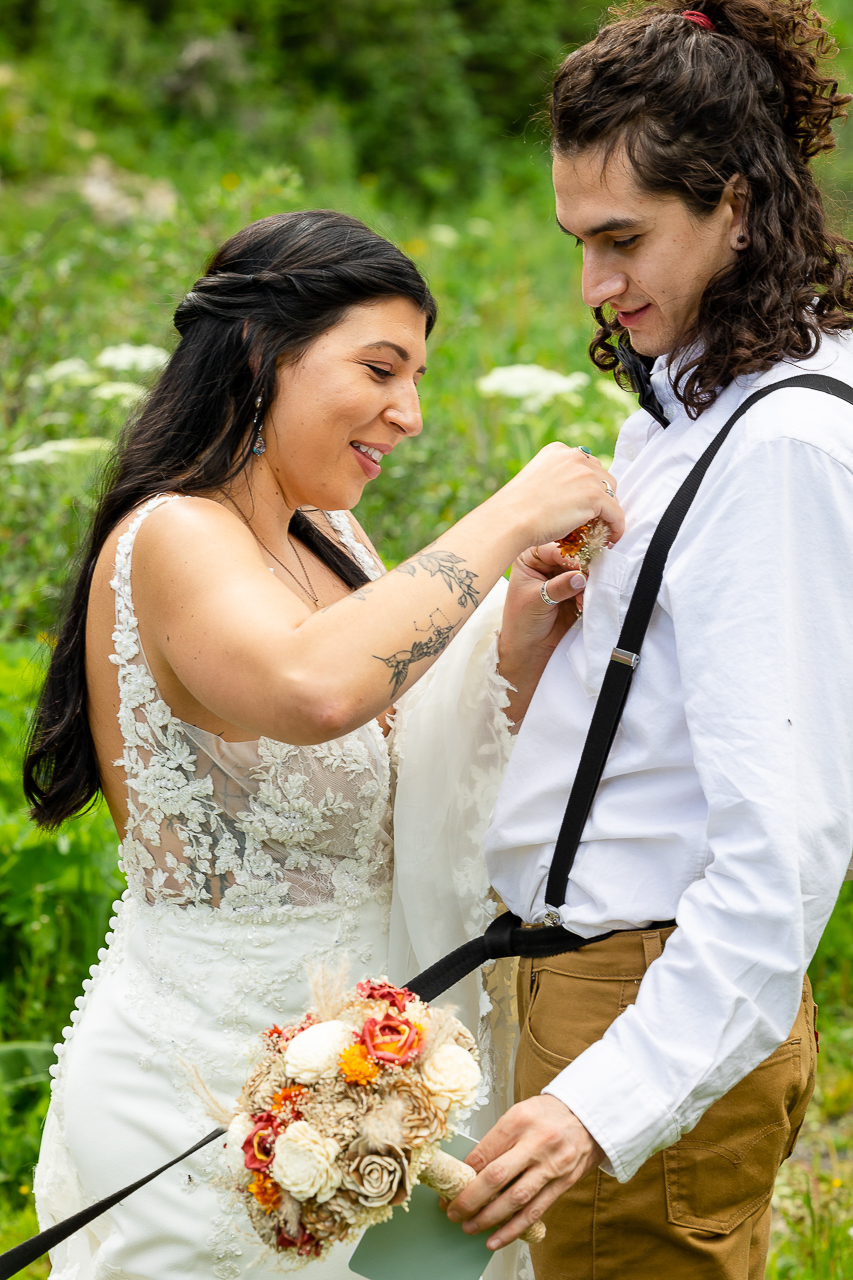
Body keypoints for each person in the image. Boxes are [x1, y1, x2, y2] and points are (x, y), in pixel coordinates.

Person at [24, 208, 621, 1280]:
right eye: (381, 368)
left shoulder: (329, 535)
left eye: (420, 377)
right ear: (261, 350)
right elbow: (311, 689)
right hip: (203, 1080)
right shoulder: (176, 531)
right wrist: (507, 512)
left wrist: (514, 633)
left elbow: (400, 736)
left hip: (372, 1079)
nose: (411, 413)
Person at [444, 1, 853, 1276]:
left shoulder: (779, 443)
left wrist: (597, 1099)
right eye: (576, 242)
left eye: (623, 240)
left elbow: (782, 846)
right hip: (583, 982)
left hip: (645, 1004)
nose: (596, 290)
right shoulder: (687, 412)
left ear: (736, 204)